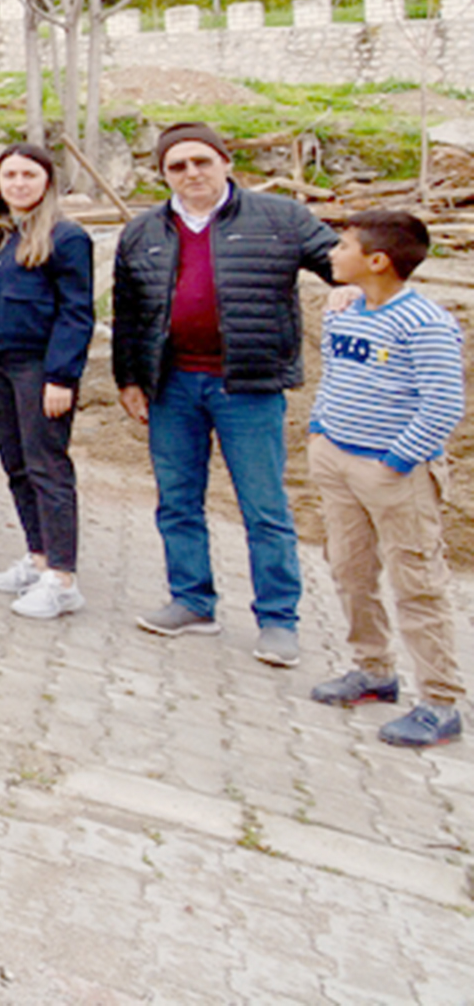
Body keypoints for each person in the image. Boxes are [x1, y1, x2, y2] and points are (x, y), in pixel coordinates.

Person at [114, 121, 337, 665]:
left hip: (248, 386)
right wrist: (128, 379)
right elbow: (128, 313)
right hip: (172, 387)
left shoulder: (281, 218)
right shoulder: (144, 231)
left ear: (225, 162)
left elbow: (342, 259)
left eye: (201, 162)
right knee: (178, 502)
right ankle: (192, 602)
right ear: (163, 173)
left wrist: (350, 285)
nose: (191, 173)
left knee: (264, 508)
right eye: (177, 166)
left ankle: (279, 620)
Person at [304, 209, 465, 749]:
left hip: (394, 473)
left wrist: (397, 461)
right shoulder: (345, 310)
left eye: (343, 245)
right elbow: (337, 376)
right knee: (350, 570)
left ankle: (440, 703)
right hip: (337, 459)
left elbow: (443, 404)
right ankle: (373, 672)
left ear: (377, 261)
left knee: (416, 583)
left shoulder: (426, 323)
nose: (331, 253)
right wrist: (321, 433)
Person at [0, 144, 97, 619]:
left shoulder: (66, 238)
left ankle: (62, 578)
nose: (18, 183)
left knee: (47, 467)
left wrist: (62, 375)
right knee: (16, 464)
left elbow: (77, 313)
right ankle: (38, 557)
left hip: (39, 368)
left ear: (47, 182)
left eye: (29, 175)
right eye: (10, 175)